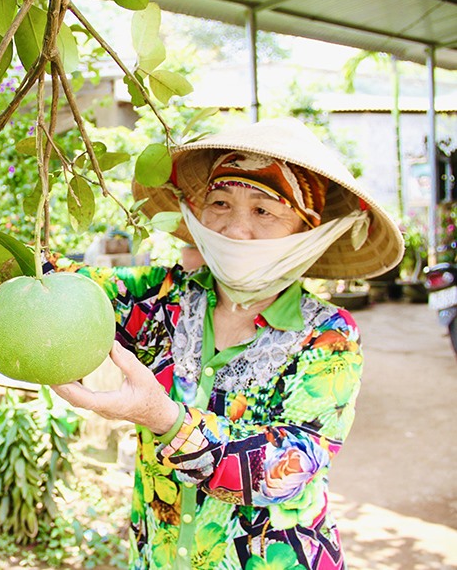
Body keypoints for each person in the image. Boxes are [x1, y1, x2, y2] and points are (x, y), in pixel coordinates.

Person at [44, 118, 404, 570]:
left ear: (306, 230)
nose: (235, 230)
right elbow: (59, 289)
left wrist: (163, 418)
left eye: (263, 210)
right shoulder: (163, 299)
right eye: (220, 202)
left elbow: (284, 466)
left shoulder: (329, 335)